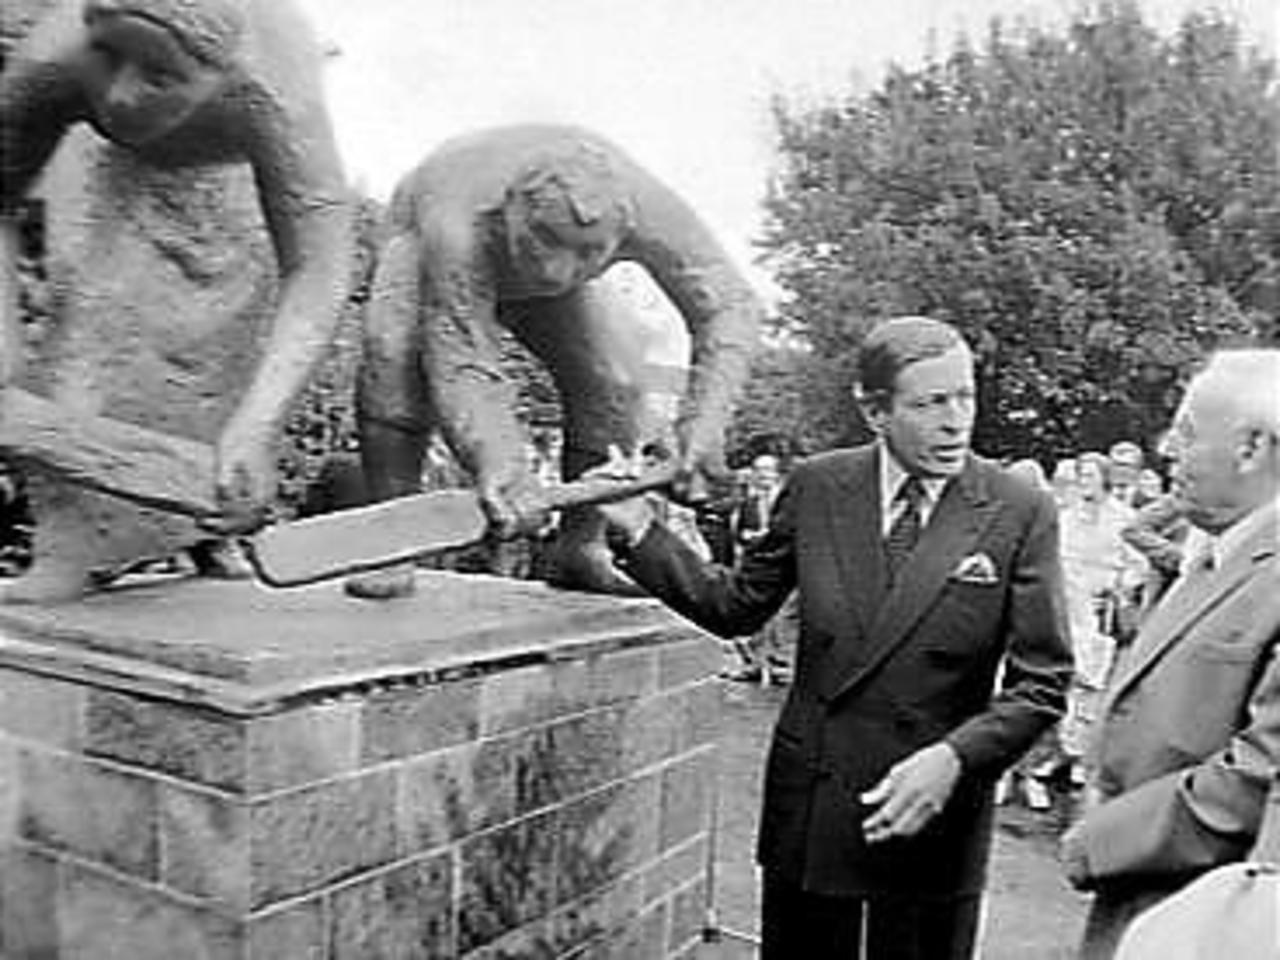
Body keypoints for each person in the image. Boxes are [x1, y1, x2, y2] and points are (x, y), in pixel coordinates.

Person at [592, 316, 1072, 959]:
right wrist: (638, 529)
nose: (956, 422)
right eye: (930, 404)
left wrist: (956, 758)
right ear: (875, 411)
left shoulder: (1018, 507)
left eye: (965, 397)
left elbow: (1042, 683)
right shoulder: (819, 485)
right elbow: (735, 606)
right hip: (817, 805)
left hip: (934, 817)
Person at [0, 0, 354, 600]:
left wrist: (258, 429)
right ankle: (70, 546)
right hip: (107, 171)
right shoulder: (53, 58)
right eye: (106, 54)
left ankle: (207, 529)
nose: (119, 94)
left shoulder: (275, 90)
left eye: (158, 74)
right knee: (89, 329)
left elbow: (319, 267)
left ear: (225, 70)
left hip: (234, 191)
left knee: (224, 353)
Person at [345, 124, 761, 600]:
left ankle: (581, 548)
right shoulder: (459, 223)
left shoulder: (649, 210)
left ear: (623, 230)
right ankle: (392, 544)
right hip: (424, 240)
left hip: (509, 253)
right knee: (392, 364)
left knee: (614, 382)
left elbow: (730, 305)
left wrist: (704, 424)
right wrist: (501, 463)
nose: (557, 271)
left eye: (589, 252)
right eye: (543, 240)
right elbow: (462, 360)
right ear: (508, 211)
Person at [1061, 349, 1280, 960]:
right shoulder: (1218, 555)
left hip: (1207, 924)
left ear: (1251, 448)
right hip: (1138, 903)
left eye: (1186, 431)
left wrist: (1100, 840)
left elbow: (1254, 778)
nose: (1166, 448)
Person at [1055, 451, 1149, 789]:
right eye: (1080, 475)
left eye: (1091, 476)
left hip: (1100, 610)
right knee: (1063, 676)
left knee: (1092, 684)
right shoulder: (1066, 517)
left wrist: (1118, 587)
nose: (1084, 482)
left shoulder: (1124, 518)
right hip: (1066, 604)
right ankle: (1055, 752)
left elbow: (1138, 565)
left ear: (1105, 479)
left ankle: (1079, 757)